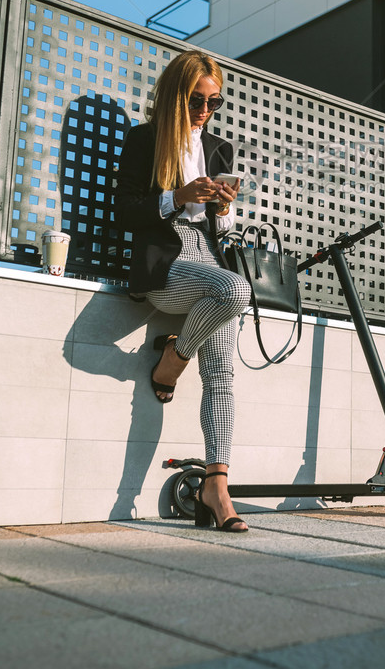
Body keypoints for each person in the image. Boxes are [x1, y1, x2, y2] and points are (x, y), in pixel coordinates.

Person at [114, 50, 251, 533]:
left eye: (215, 102)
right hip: (168, 265)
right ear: (176, 94)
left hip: (209, 261)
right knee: (236, 291)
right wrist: (179, 197)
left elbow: (223, 229)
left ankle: (217, 486)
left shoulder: (219, 148)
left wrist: (224, 209)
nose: (205, 111)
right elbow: (126, 211)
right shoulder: (144, 139)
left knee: (223, 378)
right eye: (197, 100)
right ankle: (173, 360)